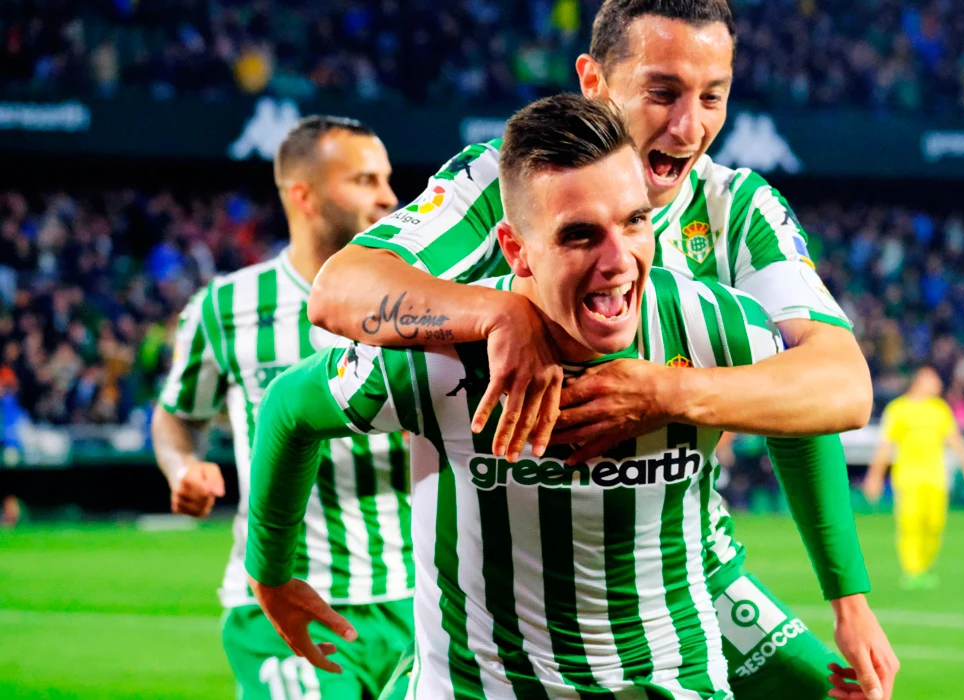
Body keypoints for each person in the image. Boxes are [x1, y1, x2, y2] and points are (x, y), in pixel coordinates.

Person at [306, 2, 896, 698]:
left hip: (682, 564)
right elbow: (339, 290)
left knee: (833, 694)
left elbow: (827, 388)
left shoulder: (737, 209)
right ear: (594, 82)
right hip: (501, 563)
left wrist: (847, 596)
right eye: (663, 92)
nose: (689, 126)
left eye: (713, 97)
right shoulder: (502, 183)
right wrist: (498, 314)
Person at [246, 94, 806, 698]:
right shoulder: (440, 356)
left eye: (635, 221)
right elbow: (287, 408)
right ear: (516, 249)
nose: (618, 261)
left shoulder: (707, 325)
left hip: (669, 683)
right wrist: (271, 573)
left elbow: (824, 399)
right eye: (579, 236)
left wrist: (676, 392)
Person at [152, 116, 412, 699]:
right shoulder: (228, 307)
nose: (389, 196)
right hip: (281, 598)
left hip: (416, 599)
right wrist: (180, 467)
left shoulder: (422, 297)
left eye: (387, 179)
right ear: (304, 195)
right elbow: (177, 414)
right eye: (365, 180)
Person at [863, 368, 964, 590]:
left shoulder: (939, 409)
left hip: (935, 477)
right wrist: (875, 476)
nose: (937, 385)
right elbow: (885, 446)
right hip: (908, 477)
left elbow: (954, 439)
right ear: (919, 381)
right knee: (910, 524)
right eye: (933, 381)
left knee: (934, 523)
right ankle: (912, 570)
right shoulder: (898, 409)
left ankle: (925, 566)